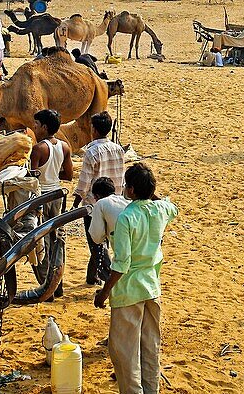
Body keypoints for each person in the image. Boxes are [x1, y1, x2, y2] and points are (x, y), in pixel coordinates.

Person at [94, 163, 177, 394]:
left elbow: (121, 264)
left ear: (130, 190)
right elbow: (173, 206)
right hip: (151, 287)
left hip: (128, 292)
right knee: (150, 347)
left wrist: (104, 293)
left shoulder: (126, 218)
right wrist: (150, 196)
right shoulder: (160, 210)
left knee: (125, 353)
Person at [74, 111, 125, 284]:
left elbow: (84, 181)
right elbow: (121, 176)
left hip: (94, 205)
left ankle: (110, 281)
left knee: (96, 244)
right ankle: (92, 277)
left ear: (94, 130)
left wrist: (76, 203)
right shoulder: (118, 149)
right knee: (105, 241)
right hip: (116, 202)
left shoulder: (91, 151)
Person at [88, 176, 130, 251]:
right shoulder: (127, 200)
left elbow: (97, 238)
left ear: (97, 196)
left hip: (126, 253)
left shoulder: (101, 203)